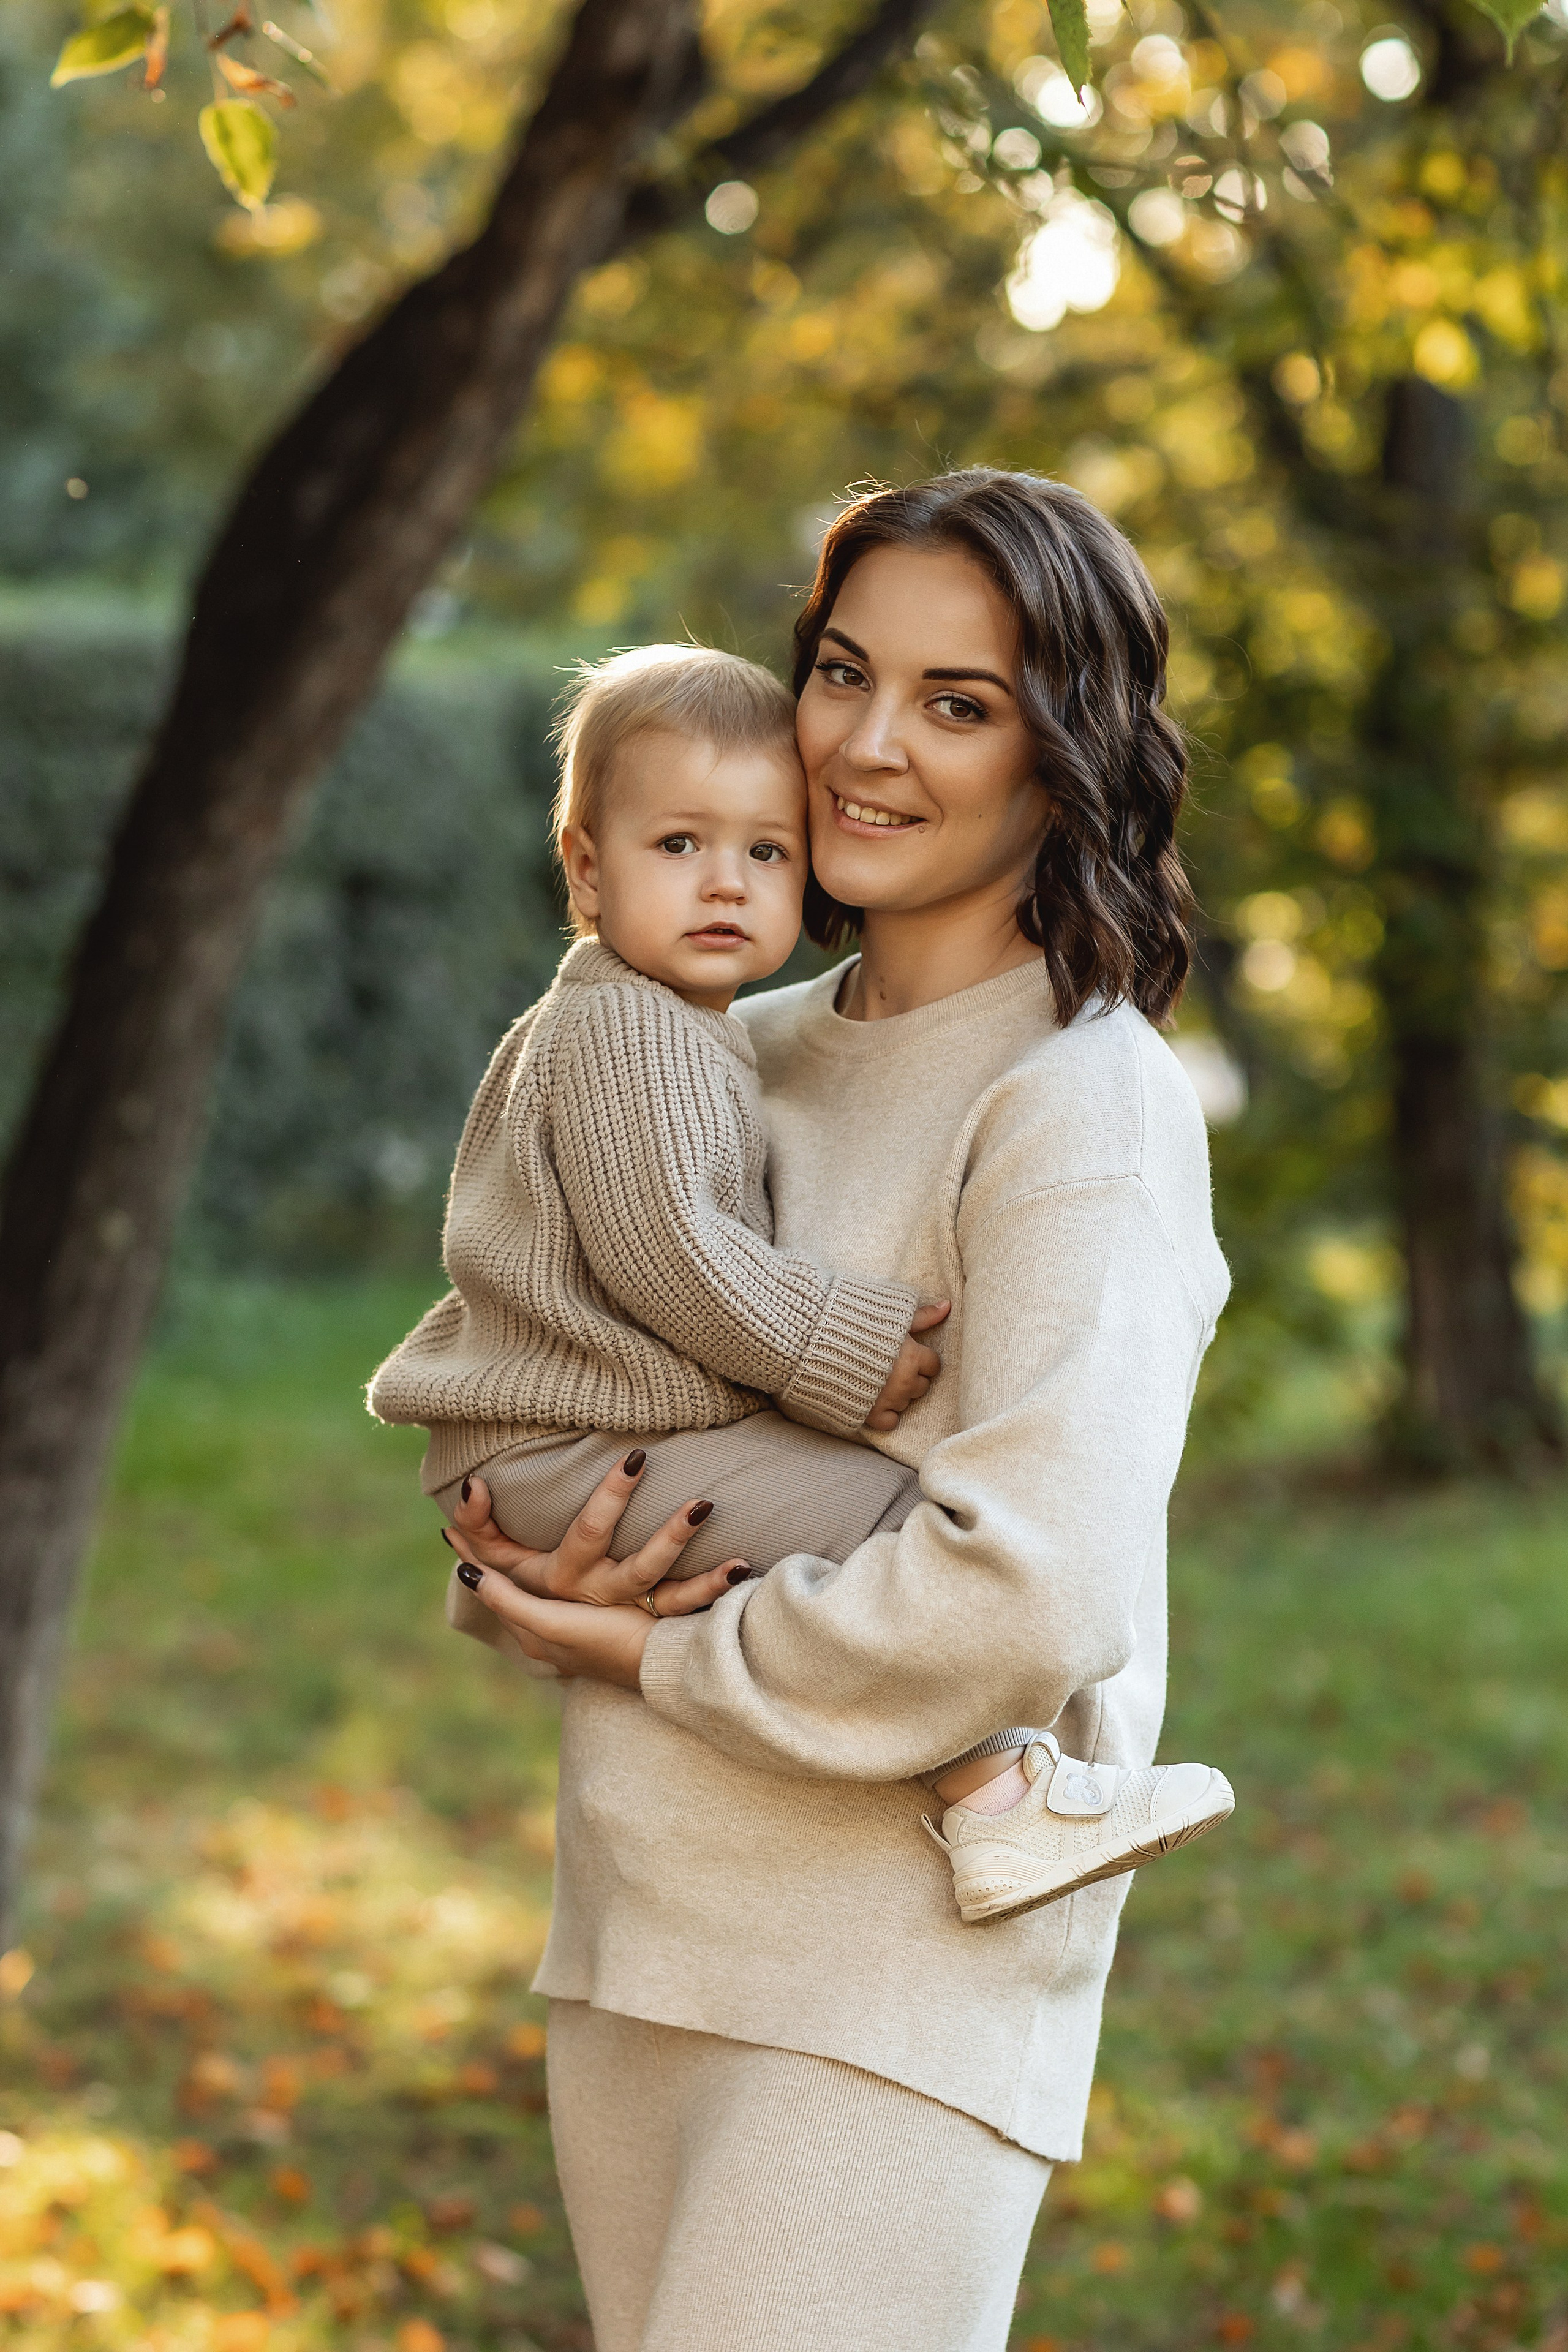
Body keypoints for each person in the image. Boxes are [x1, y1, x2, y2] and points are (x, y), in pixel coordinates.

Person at [437, 469, 1232, 2352]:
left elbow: (1021, 1601)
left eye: (958, 703)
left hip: (892, 1986)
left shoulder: (1081, 1107)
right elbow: (535, 1356)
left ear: (1067, 748)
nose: (870, 747)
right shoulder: (713, 1037)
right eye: (845, 673)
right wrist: (510, 1565)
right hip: (644, 1927)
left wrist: (641, 1655)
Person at [369, 638, 1232, 1922]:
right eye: (679, 848)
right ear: (586, 867)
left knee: (903, 1546)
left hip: (573, 1457)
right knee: (890, 1523)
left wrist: (573, 1619)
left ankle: (994, 1794)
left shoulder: (717, 1030)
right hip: (576, 1446)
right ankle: (1001, 1800)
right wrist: (836, 1344)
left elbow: (1033, 1588)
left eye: (765, 853)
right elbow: (671, 1253)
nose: (725, 884)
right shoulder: (633, 1029)